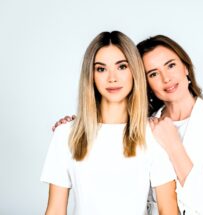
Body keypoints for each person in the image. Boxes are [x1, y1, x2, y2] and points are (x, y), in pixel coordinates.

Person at [53, 34, 203, 215]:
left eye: (171, 65)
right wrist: (78, 125)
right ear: (144, 81)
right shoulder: (146, 124)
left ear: (186, 67)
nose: (166, 78)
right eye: (153, 73)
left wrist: (174, 146)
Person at [41, 31, 178, 215]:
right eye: (101, 69)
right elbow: (55, 210)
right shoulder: (65, 134)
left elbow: (168, 209)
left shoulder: (154, 134)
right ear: (91, 75)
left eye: (121, 67)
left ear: (134, 71)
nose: (112, 78)